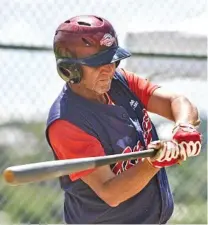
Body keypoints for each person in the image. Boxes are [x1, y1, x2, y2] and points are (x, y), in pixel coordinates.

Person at [45, 15, 202, 224]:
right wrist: (152, 164)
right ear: (69, 69)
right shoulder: (66, 122)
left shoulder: (121, 82)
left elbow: (177, 102)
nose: (109, 69)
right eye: (97, 63)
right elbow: (111, 193)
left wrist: (184, 126)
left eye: (112, 60)